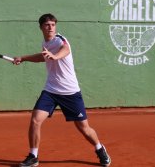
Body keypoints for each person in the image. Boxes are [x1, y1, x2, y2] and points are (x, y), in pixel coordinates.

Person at [13, 13, 111, 167]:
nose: (50, 27)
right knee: (35, 120)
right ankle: (33, 156)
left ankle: (99, 148)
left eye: (53, 24)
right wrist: (23, 58)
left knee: (84, 129)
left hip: (70, 92)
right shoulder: (45, 43)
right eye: (47, 25)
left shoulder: (60, 40)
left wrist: (55, 56)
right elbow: (42, 57)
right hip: (51, 91)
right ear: (41, 27)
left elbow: (65, 50)